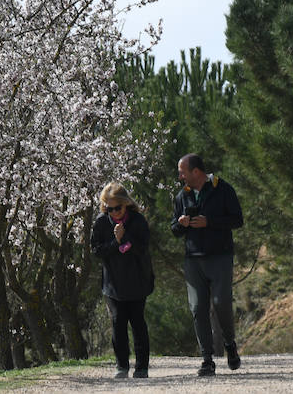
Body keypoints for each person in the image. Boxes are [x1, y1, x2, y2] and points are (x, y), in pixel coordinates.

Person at [171, 153, 243, 377]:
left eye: (183, 172)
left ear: (196, 172)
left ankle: (230, 344)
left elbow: (237, 220)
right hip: (193, 260)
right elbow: (174, 228)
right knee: (197, 308)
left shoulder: (223, 189)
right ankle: (207, 359)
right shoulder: (182, 196)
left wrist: (209, 222)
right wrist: (181, 224)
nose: (180, 176)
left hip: (219, 256)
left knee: (221, 303)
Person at [91, 182, 154, 378]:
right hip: (113, 283)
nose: (114, 212)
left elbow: (142, 248)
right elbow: (96, 251)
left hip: (137, 280)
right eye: (109, 209)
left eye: (117, 208)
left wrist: (126, 237)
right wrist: (115, 242)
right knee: (118, 322)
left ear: (126, 204)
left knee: (137, 322)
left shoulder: (138, 221)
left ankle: (142, 367)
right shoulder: (101, 223)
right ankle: (122, 365)